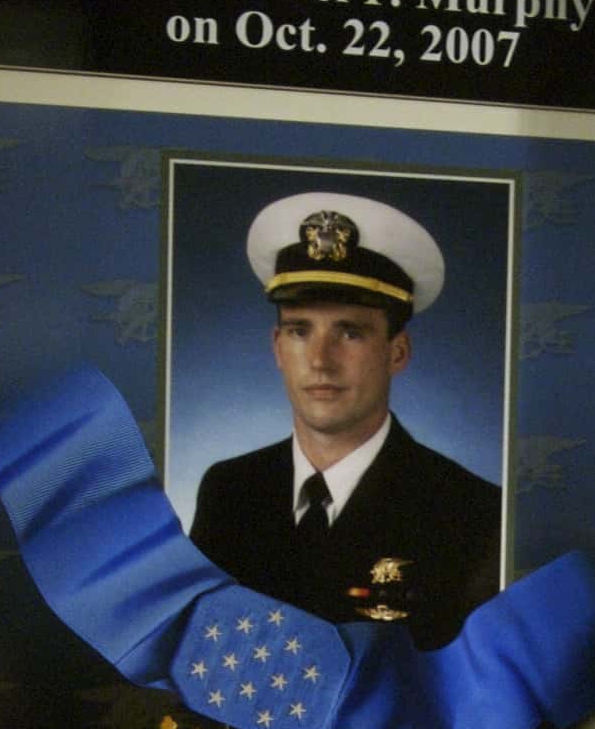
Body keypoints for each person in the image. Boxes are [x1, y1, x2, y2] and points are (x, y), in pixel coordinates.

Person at [185, 189, 503, 644]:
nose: (320, 360)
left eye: (350, 333)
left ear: (397, 352)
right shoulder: (230, 491)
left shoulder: (470, 512)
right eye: (300, 331)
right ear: (278, 348)